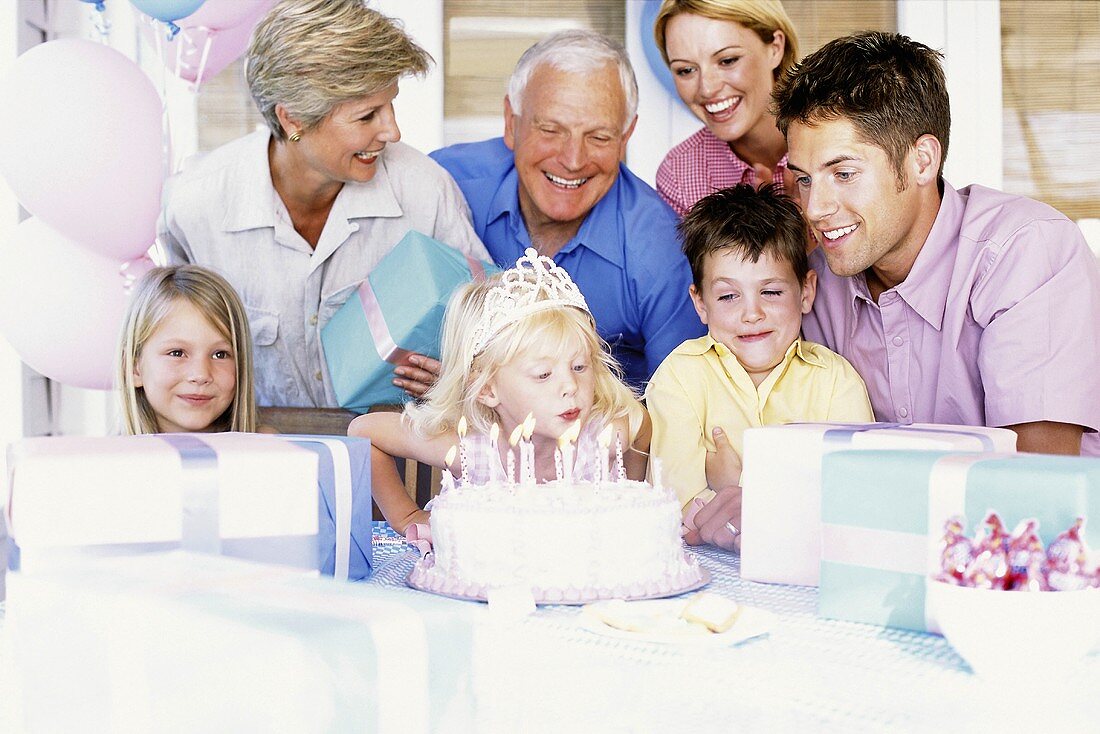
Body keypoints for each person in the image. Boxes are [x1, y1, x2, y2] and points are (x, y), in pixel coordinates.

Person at [773, 31, 1100, 456]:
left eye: (844, 173)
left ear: (922, 160)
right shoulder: (816, 283)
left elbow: (1034, 488)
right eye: (804, 179)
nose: (814, 208)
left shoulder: (1027, 250)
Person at [159, 0, 489, 409]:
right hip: (257, 455)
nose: (393, 131)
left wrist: (460, 377)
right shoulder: (195, 205)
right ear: (293, 119)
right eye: (368, 116)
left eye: (391, 105)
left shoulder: (424, 191)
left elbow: (494, 335)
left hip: (394, 458)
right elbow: (167, 356)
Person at [429, 30, 704, 389]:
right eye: (551, 130)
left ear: (626, 136)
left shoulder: (663, 252)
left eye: (599, 137)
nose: (573, 160)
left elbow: (681, 411)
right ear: (511, 123)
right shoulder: (444, 185)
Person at [349, 249, 651, 533]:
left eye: (580, 367)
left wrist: (626, 494)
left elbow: (641, 425)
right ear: (487, 389)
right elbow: (363, 431)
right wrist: (408, 517)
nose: (570, 387)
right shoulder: (475, 452)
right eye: (543, 374)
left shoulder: (601, 441)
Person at [645, 184, 872, 550]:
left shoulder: (835, 382)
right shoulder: (680, 378)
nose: (752, 313)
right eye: (728, 296)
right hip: (707, 576)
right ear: (700, 303)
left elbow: (854, 501)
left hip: (809, 569)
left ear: (806, 291)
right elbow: (682, 514)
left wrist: (738, 486)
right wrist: (788, 502)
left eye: (771, 292)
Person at [653, 0, 799, 216]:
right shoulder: (680, 173)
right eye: (685, 70)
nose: (707, 89)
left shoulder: (844, 140)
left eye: (727, 60)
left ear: (775, 49)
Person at [117, 265, 259, 435]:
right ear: (134, 368)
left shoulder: (271, 453)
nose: (201, 375)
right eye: (177, 353)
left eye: (220, 354)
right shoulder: (106, 460)